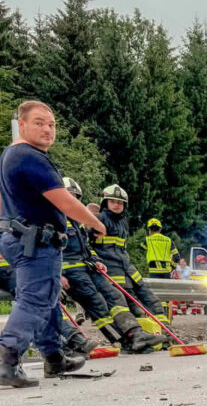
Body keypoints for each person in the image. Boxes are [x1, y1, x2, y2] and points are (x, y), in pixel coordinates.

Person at [0, 100, 104, 386]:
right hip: (34, 240)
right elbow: (64, 200)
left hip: (22, 238)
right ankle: (7, 361)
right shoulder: (29, 156)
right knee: (36, 299)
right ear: (21, 125)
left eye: (52, 124)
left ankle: (53, 358)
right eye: (39, 123)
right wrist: (95, 222)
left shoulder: (10, 155)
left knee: (46, 298)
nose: (48, 129)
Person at [59, 178, 166, 353]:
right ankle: (121, 342)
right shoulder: (52, 220)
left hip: (89, 267)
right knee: (98, 307)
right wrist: (57, 273)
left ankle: (136, 335)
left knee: (115, 299)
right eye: (68, 195)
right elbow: (49, 251)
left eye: (75, 197)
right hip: (70, 271)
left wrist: (96, 260)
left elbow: (86, 247)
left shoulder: (76, 222)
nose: (72, 200)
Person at [92, 184, 170, 323]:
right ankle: (135, 334)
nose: (116, 205)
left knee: (147, 294)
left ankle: (164, 328)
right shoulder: (99, 219)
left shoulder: (124, 222)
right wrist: (95, 260)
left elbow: (122, 247)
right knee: (128, 302)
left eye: (120, 202)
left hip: (127, 266)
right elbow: (87, 244)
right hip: (109, 267)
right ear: (105, 202)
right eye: (113, 201)